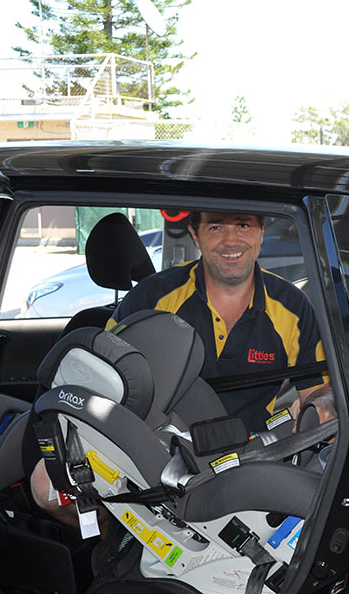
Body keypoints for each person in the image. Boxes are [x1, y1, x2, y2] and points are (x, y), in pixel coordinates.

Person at [31, 210, 331, 528]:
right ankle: (113, 544)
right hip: (154, 447)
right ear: (195, 234)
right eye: (216, 226)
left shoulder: (293, 307)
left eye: (243, 225)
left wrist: (324, 405)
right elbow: (104, 386)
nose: (231, 240)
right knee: (44, 486)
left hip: (249, 454)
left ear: (260, 232)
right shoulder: (152, 298)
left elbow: (316, 392)